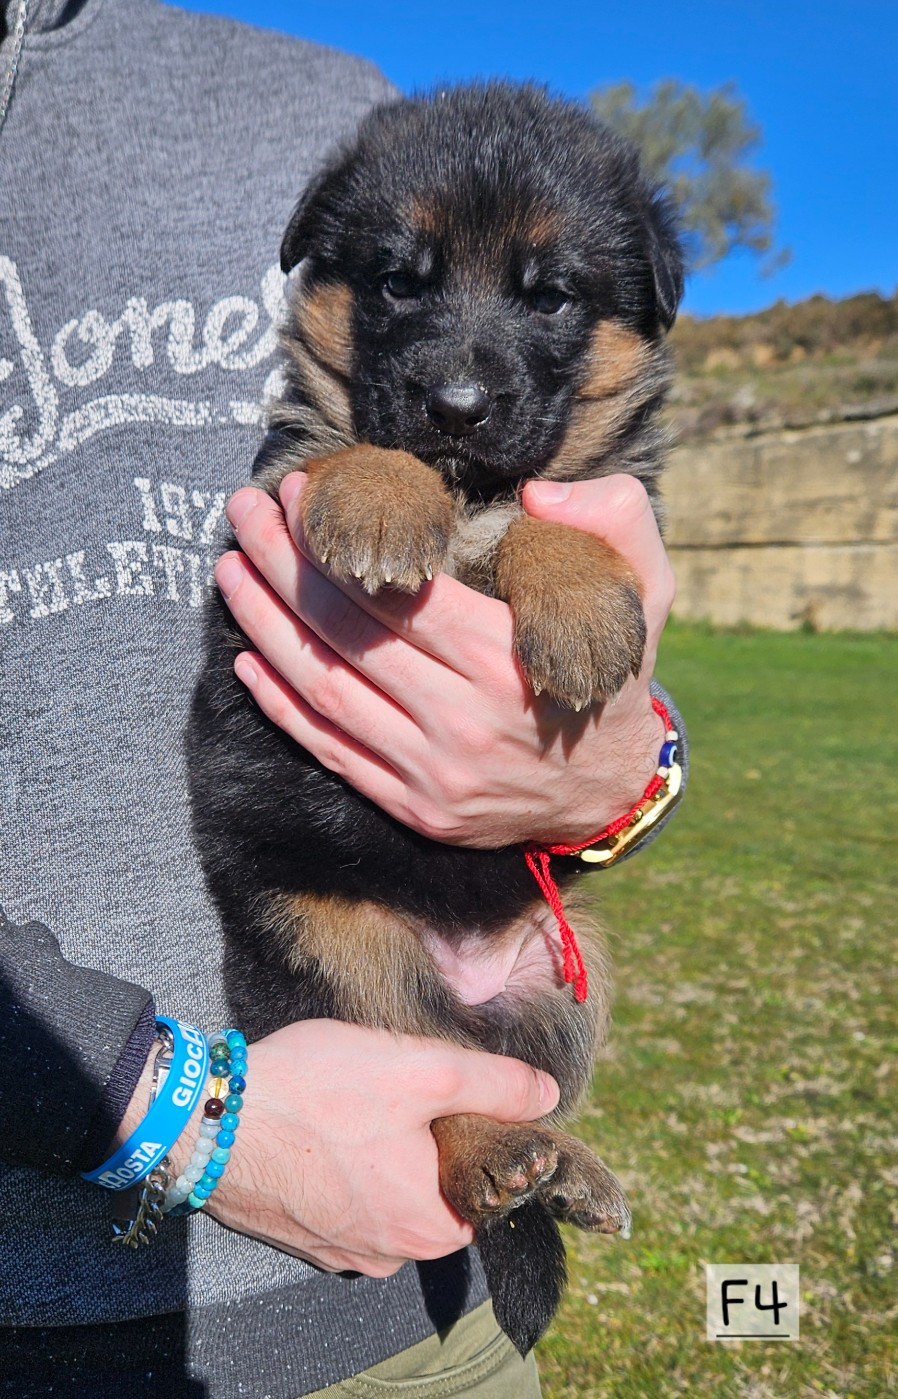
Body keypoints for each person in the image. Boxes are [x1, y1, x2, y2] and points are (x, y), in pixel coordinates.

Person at [0, 0, 685, 1394]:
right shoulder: (339, 449)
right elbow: (308, 482)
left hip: (417, 1316)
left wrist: (630, 772)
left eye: (549, 300)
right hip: (286, 966)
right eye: (403, 286)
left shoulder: (329, 97)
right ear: (324, 278)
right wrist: (169, 1113)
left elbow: (613, 734)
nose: (461, 371)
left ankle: (498, 1147)